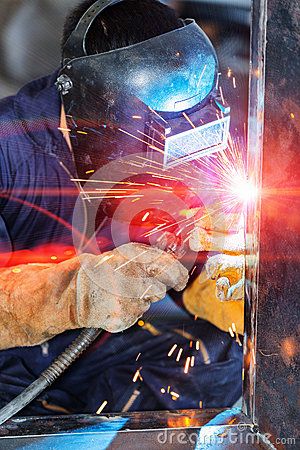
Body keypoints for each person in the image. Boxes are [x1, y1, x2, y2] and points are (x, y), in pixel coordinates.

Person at [0, 0, 243, 415]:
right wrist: (71, 295)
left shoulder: (181, 129)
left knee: (225, 364)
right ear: (96, 109)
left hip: (105, 350)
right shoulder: (10, 147)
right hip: (8, 364)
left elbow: (191, 252)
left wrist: (229, 278)